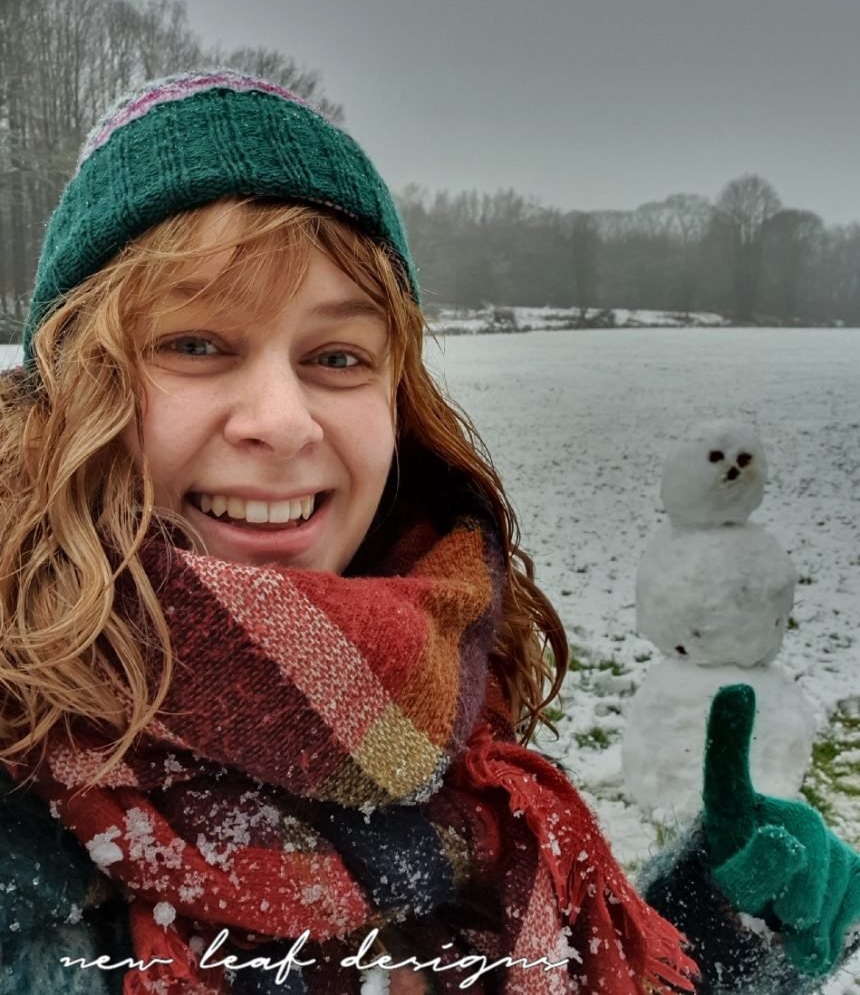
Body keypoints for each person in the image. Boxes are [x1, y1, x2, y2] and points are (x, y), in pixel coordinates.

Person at [0, 70, 857, 995]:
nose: (284, 423)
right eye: (196, 344)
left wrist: (713, 941)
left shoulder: (440, 708)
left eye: (337, 356)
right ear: (71, 390)